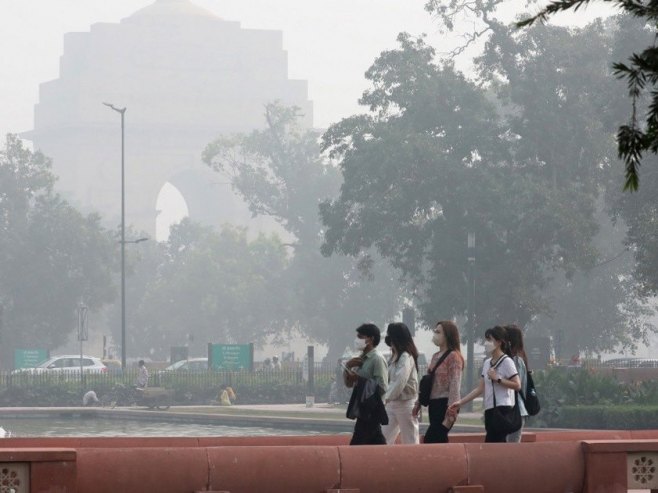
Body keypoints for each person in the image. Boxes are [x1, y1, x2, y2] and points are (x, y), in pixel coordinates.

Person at [449, 325, 521, 443]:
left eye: (489, 340)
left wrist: (498, 379)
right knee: (492, 443)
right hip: (490, 409)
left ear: (498, 342)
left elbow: (517, 385)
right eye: (486, 340)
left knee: (496, 443)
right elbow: (480, 388)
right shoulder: (487, 363)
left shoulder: (507, 361)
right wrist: (460, 402)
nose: (486, 343)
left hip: (502, 408)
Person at [414, 320, 464, 444]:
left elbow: (455, 383)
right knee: (438, 440)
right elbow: (428, 382)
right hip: (433, 403)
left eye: (438, 332)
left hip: (446, 404)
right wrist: (419, 402)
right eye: (435, 331)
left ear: (447, 335)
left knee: (434, 437)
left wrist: (452, 408)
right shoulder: (435, 356)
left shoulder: (454, 356)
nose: (435, 334)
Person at [344, 323, 389, 445]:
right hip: (362, 407)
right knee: (374, 440)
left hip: (372, 408)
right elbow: (349, 384)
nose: (357, 340)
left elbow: (382, 387)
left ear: (371, 338)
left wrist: (359, 378)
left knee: (359, 441)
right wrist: (347, 367)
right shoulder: (360, 359)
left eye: (361, 336)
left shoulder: (377, 359)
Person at [381, 322, 419, 444]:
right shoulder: (393, 357)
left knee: (410, 441)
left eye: (389, 335)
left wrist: (385, 397)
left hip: (406, 404)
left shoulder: (405, 357)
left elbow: (400, 381)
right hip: (392, 404)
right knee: (383, 439)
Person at [505, 324, 529, 442]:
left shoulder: (515, 361)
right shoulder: (511, 360)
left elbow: (519, 387)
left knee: (511, 448)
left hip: (515, 411)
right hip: (511, 411)